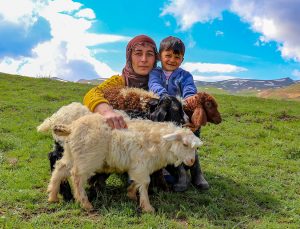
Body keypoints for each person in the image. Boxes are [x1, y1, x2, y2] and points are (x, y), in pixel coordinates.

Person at [148, 36, 209, 192]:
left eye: (177, 57)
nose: (172, 60)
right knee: (171, 145)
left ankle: (197, 173)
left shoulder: (185, 75)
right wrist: (165, 97)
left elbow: (189, 89)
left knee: (189, 142)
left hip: (182, 115)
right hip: (165, 114)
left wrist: (189, 100)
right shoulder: (155, 72)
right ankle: (181, 174)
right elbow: (153, 85)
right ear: (160, 55)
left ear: (182, 59)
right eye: (168, 55)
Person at [84, 34, 158, 128]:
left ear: (155, 59)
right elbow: (92, 93)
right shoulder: (119, 81)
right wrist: (107, 112)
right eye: (138, 53)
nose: (144, 59)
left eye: (149, 54)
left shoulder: (163, 82)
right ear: (129, 57)